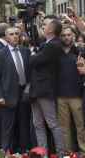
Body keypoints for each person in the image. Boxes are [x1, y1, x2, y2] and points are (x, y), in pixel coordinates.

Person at [30, 16, 65, 156]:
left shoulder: (54, 44)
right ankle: (42, 153)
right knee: (37, 124)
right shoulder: (47, 43)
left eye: (45, 25)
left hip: (45, 90)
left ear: (51, 29)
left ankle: (61, 153)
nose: (43, 27)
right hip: (36, 90)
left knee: (52, 123)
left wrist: (33, 54)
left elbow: (35, 61)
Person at [0, 27, 31, 152]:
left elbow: (30, 72)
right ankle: (6, 151)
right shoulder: (0, 54)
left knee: (24, 123)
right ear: (6, 37)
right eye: (11, 34)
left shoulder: (26, 51)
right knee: (8, 126)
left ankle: (24, 150)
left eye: (16, 34)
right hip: (8, 95)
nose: (15, 36)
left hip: (24, 92)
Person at [58, 26, 85, 155]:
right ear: (60, 37)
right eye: (63, 35)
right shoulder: (56, 52)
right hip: (60, 95)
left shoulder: (80, 51)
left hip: (77, 95)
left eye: (69, 35)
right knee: (64, 127)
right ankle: (68, 153)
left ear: (73, 36)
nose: (66, 37)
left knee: (80, 126)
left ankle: (83, 151)